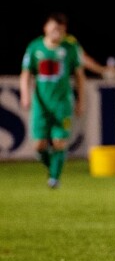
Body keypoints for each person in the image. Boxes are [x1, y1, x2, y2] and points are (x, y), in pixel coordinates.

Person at [19, 12, 87, 189]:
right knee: (39, 145)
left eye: (62, 28)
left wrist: (81, 101)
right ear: (46, 28)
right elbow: (26, 74)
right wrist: (25, 95)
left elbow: (79, 76)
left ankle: (54, 179)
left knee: (59, 142)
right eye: (55, 27)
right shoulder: (34, 48)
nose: (58, 31)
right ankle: (53, 167)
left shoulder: (70, 48)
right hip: (41, 104)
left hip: (62, 103)